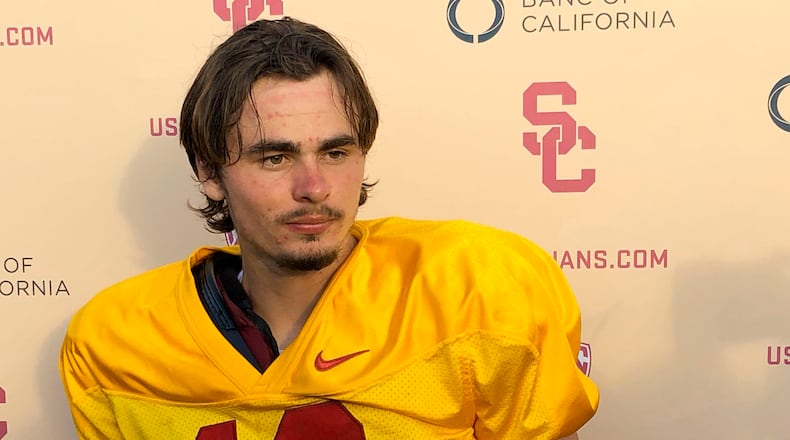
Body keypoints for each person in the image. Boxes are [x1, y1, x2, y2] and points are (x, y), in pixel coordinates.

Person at [59, 17, 598, 439]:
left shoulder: (475, 288)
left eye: (336, 151)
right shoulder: (114, 342)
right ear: (209, 173)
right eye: (275, 157)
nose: (314, 186)